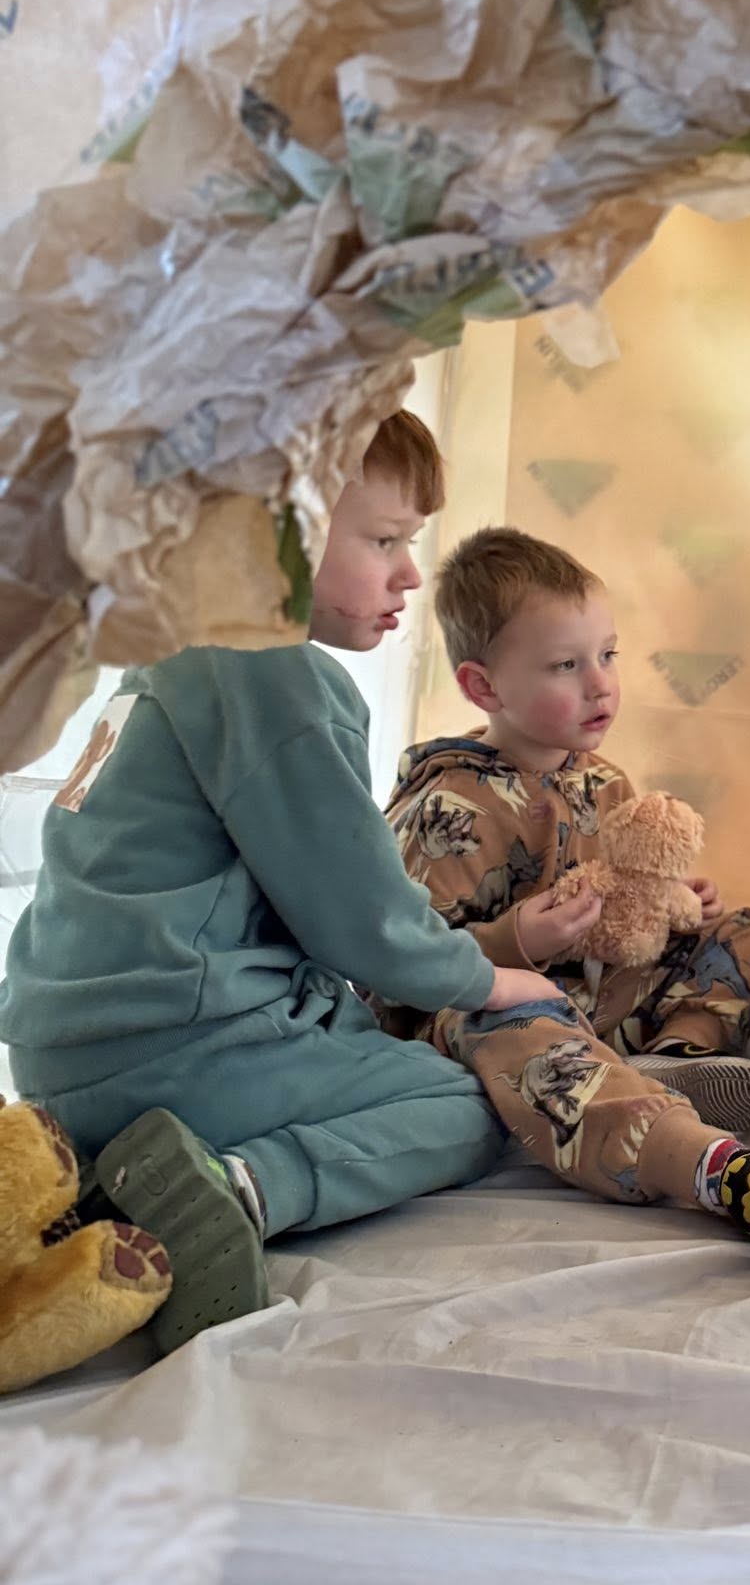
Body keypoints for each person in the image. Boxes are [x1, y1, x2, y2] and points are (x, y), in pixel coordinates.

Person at [0, 413, 546, 1359]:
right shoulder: (276, 672)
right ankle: (236, 1188)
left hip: (58, 1063)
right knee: (463, 1107)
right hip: (176, 1052)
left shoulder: (163, 657)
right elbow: (361, 917)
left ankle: (97, 1178)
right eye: (384, 541)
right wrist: (487, 979)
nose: (409, 576)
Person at [385, 527, 750, 1266]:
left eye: (607, 655)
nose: (600, 683)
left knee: (742, 928)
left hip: (596, 997)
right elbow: (398, 973)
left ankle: (680, 1057)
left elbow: (627, 902)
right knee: (512, 1019)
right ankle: (707, 1165)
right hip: (485, 1020)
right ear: (484, 688)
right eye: (566, 665)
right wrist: (515, 943)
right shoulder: (449, 808)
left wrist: (676, 903)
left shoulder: (601, 780)